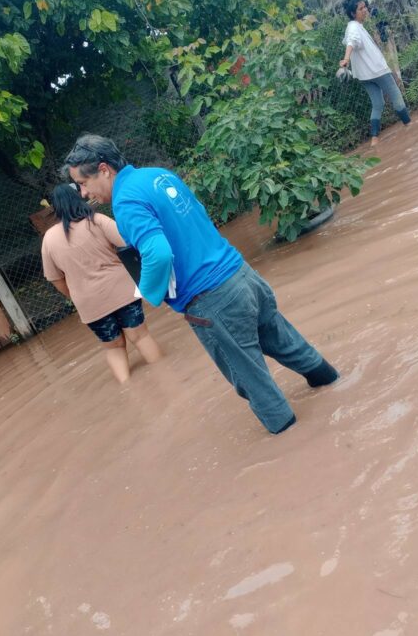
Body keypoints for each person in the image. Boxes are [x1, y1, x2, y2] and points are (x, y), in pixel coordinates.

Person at [64, 135, 339, 435]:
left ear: (104, 169)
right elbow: (199, 215)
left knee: (252, 382)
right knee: (288, 344)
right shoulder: (158, 175)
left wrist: (148, 293)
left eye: (83, 183)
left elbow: (157, 253)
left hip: (213, 301)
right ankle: (334, 385)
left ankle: (295, 442)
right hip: (242, 275)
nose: (83, 192)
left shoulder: (126, 201)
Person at [41, 183, 162, 383]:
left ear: (55, 208)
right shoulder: (96, 221)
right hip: (121, 291)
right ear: (78, 197)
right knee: (140, 337)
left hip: (88, 303)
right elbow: (127, 244)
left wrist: (75, 295)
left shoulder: (49, 239)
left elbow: (55, 279)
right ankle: (166, 375)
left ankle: (128, 387)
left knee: (113, 348)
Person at [339, 0, 411, 146]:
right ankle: (410, 127)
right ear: (353, 13)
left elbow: (352, 41)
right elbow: (351, 42)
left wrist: (347, 59)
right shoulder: (354, 27)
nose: (365, 10)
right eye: (361, 9)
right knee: (397, 98)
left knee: (377, 104)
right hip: (378, 71)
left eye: (365, 7)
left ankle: (374, 140)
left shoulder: (354, 26)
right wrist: (346, 59)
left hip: (364, 75)